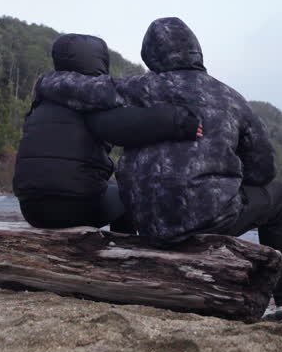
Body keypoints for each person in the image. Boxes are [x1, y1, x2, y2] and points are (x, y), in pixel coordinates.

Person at [34, 17, 282, 319]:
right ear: (196, 51)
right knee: (277, 194)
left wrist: (43, 82)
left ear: (150, 54)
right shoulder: (231, 99)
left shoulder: (139, 88)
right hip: (209, 221)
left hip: (147, 221)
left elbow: (77, 88)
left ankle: (131, 264)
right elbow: (263, 170)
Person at [13, 33, 200, 234]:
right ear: (100, 60)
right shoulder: (90, 99)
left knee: (105, 188)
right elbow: (129, 126)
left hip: (31, 209)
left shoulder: (41, 102)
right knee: (128, 194)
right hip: (73, 208)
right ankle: (124, 246)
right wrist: (178, 121)